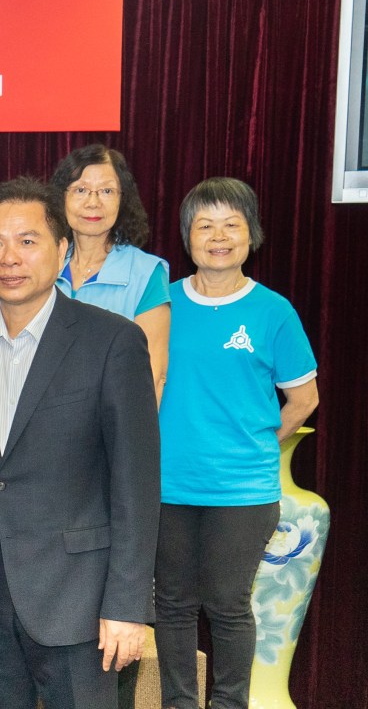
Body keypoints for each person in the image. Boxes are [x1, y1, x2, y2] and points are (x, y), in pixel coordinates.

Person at [0, 177, 159, 708]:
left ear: (61, 250)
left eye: (28, 241)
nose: (10, 257)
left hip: (80, 601)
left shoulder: (113, 341)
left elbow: (137, 483)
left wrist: (127, 605)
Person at [153, 178, 319, 709]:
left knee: (227, 605)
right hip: (167, 486)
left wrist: (255, 445)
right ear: (187, 237)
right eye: (205, 226)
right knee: (172, 605)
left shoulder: (274, 311)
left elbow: (304, 399)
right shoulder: (162, 305)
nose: (218, 237)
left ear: (252, 235)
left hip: (242, 493)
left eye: (231, 225)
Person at [51, 144, 170, 398]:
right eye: (81, 190)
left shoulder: (147, 273)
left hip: (112, 415)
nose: (93, 202)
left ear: (122, 199)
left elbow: (152, 374)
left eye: (106, 191)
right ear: (62, 197)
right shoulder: (42, 264)